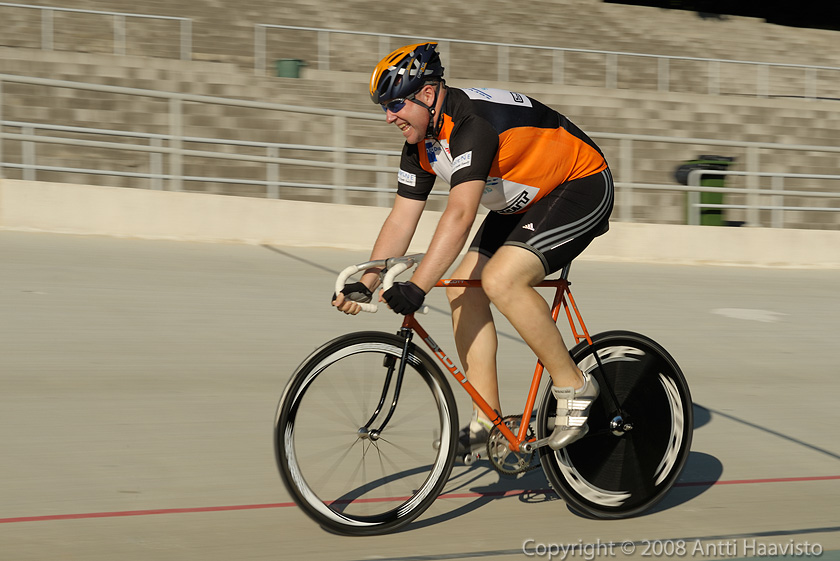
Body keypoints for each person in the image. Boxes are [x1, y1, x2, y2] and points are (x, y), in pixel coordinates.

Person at [332, 42, 614, 456]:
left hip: (579, 185)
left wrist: (417, 286)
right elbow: (401, 219)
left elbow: (461, 214)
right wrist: (368, 281)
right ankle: (488, 419)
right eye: (385, 108)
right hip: (523, 201)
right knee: (463, 288)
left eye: (394, 105)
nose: (389, 117)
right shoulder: (420, 143)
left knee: (502, 280)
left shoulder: (472, 124)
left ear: (427, 94)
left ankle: (574, 384)